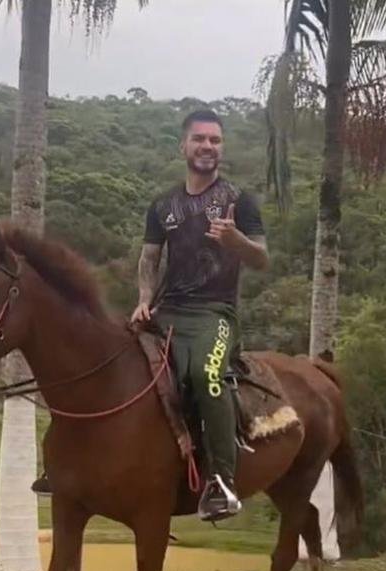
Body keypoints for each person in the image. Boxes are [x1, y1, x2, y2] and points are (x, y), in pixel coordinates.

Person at [131, 109, 268, 521]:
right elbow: (149, 257)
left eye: (215, 140)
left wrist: (235, 239)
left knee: (206, 376)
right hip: (167, 309)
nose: (208, 146)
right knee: (110, 355)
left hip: (215, 314)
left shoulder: (239, 201)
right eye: (200, 139)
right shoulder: (162, 205)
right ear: (183, 146)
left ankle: (221, 483)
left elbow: (261, 258)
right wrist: (143, 299)